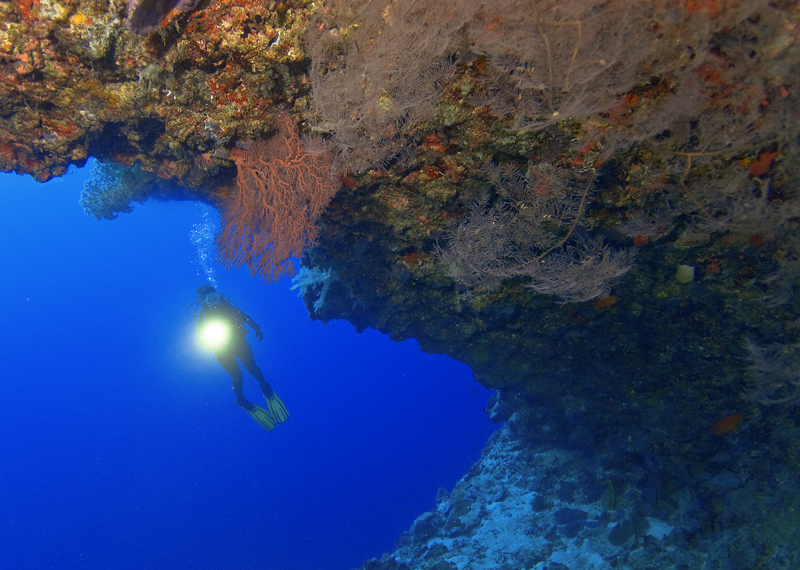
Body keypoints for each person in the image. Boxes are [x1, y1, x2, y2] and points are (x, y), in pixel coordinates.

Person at [191, 285, 289, 431]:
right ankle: (241, 400)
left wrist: (256, 328)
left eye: (215, 298)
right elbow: (200, 336)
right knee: (237, 375)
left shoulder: (229, 309)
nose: (213, 302)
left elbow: (244, 316)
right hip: (221, 348)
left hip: (239, 342)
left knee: (251, 367)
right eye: (210, 300)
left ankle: (265, 387)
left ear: (219, 297)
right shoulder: (204, 316)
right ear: (205, 302)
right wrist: (204, 340)